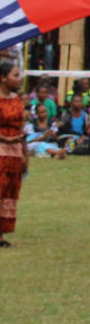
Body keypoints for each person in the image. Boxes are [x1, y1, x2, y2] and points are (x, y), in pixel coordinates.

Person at [0, 60, 28, 247]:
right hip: (1, 151)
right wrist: (5, 139)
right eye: (15, 75)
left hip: (15, 153)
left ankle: (1, 236)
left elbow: (22, 128)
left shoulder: (17, 100)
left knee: (10, 192)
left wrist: (25, 155)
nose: (19, 79)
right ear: (3, 78)